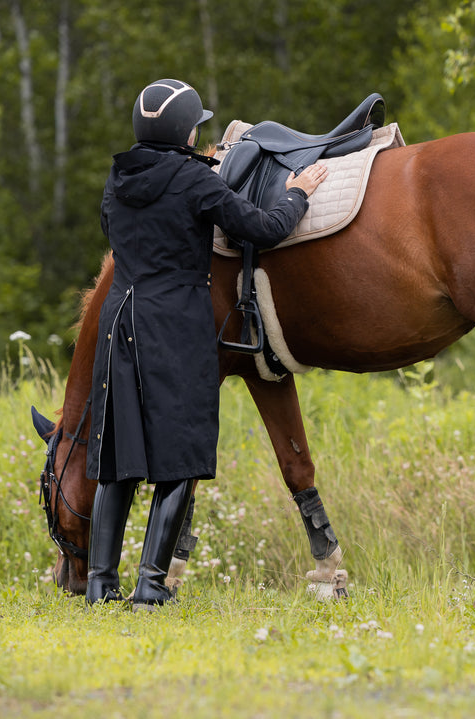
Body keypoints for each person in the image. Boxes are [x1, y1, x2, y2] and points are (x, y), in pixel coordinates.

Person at [84, 78, 327, 609]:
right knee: (180, 455)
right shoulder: (195, 181)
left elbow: (114, 231)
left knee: (118, 452)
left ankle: (101, 585)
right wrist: (299, 193)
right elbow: (261, 228)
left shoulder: (117, 178)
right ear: (182, 131)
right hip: (174, 326)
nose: (197, 135)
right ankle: (150, 588)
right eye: (194, 126)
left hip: (119, 318)